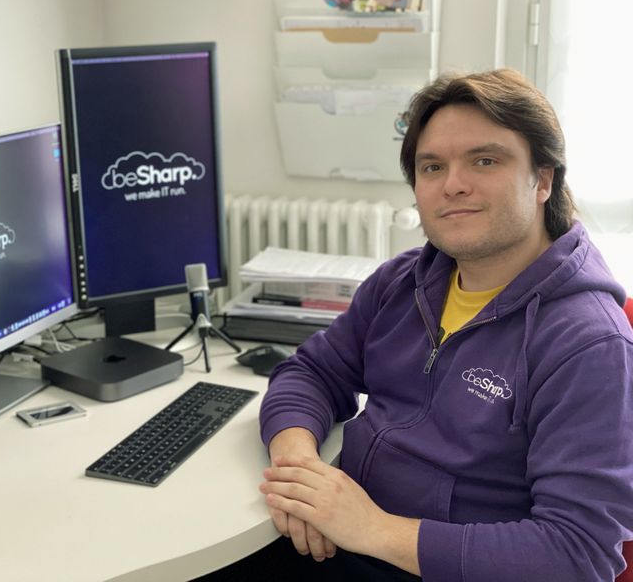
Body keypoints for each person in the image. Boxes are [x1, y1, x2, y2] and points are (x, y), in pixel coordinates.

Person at [258, 69, 633, 581]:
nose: (453, 184)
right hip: (334, 543)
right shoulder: (404, 281)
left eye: (485, 160)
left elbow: (577, 554)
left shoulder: (589, 343)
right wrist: (300, 472)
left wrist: (373, 529)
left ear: (542, 179)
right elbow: (310, 373)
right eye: (432, 166)